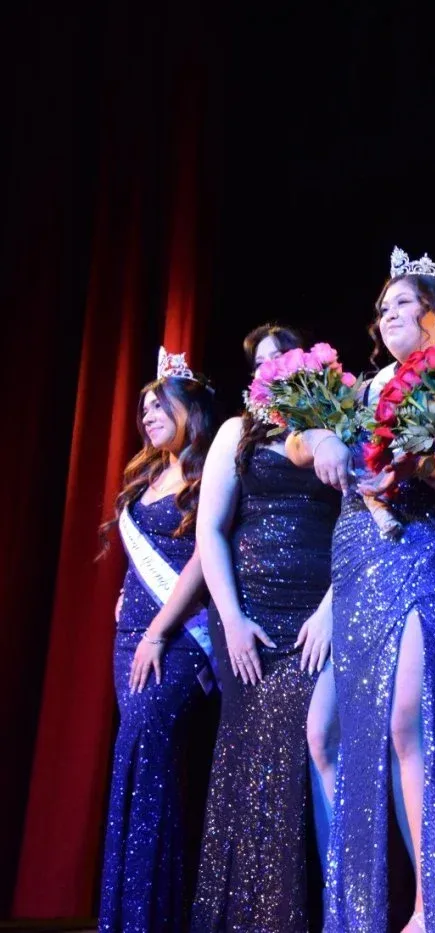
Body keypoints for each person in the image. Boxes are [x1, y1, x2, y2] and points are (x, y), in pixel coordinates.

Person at [294, 248, 435, 933]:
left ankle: (432, 906)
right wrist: (321, 439)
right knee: (326, 730)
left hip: (422, 555)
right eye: (383, 306)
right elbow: (300, 439)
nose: (388, 313)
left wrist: (418, 465)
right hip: (355, 569)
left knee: (407, 725)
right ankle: (356, 906)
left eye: (403, 302)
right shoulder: (363, 392)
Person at [191, 328, 340, 932]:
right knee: (248, 756)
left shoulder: (334, 428)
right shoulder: (237, 432)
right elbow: (210, 529)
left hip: (316, 616)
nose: (271, 368)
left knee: (301, 745)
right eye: (261, 362)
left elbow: (361, 522)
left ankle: (303, 911)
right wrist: (231, 620)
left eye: (282, 357)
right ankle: (251, 913)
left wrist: (331, 610)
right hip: (249, 618)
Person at [98, 349, 218, 933]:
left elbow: (201, 560)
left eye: (158, 406)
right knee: (139, 758)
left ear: (188, 410)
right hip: (133, 637)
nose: (147, 416)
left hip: (178, 638)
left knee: (149, 754)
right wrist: (129, 603)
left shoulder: (208, 473)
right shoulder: (147, 475)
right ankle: (128, 913)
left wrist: (157, 631)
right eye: (143, 409)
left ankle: (147, 916)